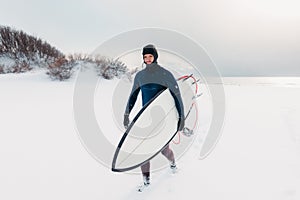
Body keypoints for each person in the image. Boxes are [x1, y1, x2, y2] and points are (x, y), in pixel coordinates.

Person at [123, 44, 185, 188]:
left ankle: (173, 163)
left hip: (163, 120)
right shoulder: (140, 76)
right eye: (145, 57)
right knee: (143, 151)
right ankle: (146, 180)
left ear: (155, 56)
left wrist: (181, 117)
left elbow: (177, 96)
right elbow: (133, 96)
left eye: (150, 56)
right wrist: (127, 114)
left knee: (164, 150)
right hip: (146, 118)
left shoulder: (165, 74)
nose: (148, 59)